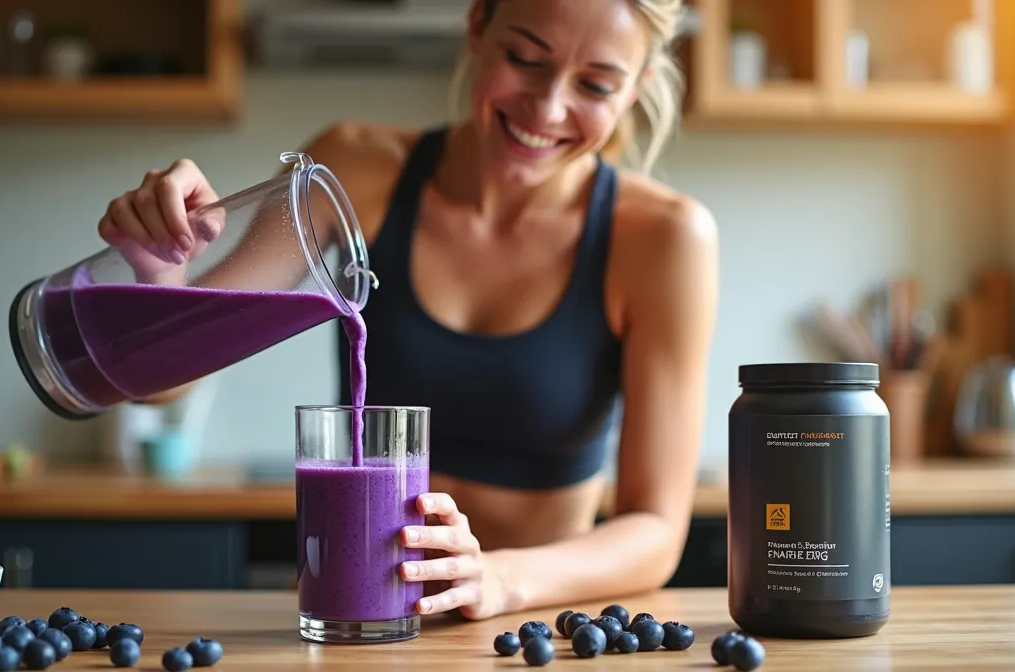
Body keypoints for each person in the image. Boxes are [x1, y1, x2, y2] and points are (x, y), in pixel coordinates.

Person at [96, 0, 718, 622]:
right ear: (478, 27)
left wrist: (497, 579)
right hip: (354, 622)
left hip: (526, 634)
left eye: (595, 85)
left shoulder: (664, 238)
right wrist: (162, 265)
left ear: (635, 87)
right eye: (525, 58)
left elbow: (656, 530)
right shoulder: (356, 167)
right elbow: (164, 380)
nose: (549, 108)